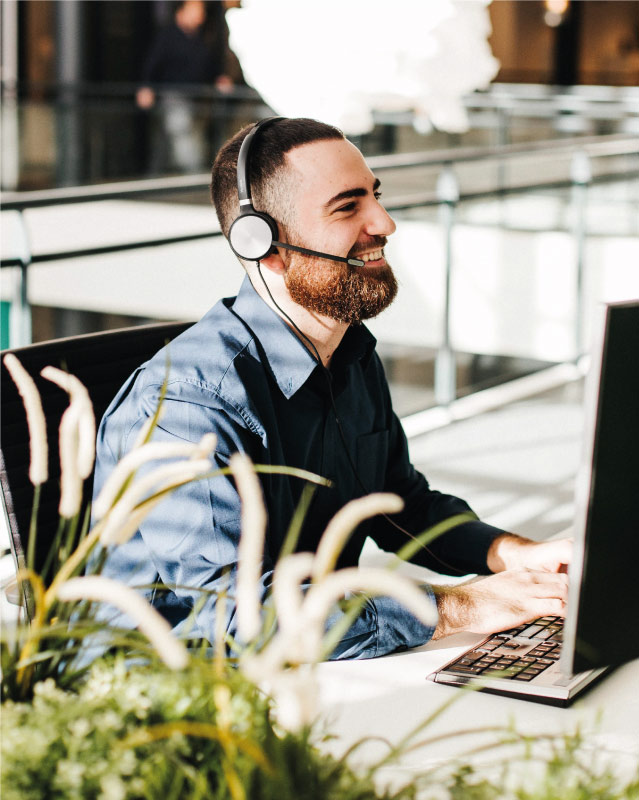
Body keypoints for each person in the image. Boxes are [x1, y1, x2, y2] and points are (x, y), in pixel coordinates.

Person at [93, 117, 570, 659]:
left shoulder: (350, 353)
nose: (385, 222)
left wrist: (515, 556)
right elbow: (234, 611)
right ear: (262, 243)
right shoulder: (187, 410)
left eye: (376, 196)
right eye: (348, 206)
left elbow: (399, 505)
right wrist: (459, 607)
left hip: (321, 664)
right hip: (178, 699)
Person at [136, 0, 240, 173]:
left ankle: (159, 173)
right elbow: (152, 65)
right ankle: (193, 174)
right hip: (173, 95)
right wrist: (146, 87)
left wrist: (219, 78)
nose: (200, 15)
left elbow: (209, 66)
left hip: (197, 97)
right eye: (195, 10)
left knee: (174, 137)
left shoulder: (202, 37)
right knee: (181, 130)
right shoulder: (168, 36)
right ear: (181, 12)